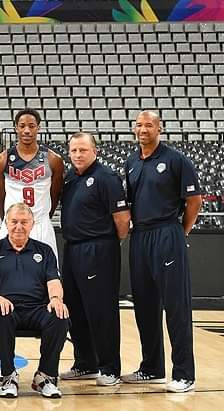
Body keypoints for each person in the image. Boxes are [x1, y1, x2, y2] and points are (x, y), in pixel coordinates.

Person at [122, 111, 201, 393]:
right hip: (140, 236)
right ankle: (152, 368)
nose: (143, 129)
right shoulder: (131, 162)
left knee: (176, 307)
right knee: (144, 305)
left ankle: (184, 374)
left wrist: (181, 232)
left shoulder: (176, 160)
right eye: (139, 125)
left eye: (149, 125)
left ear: (160, 129)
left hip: (167, 233)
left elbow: (194, 200)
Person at [59, 132, 130, 386]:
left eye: (83, 150)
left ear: (95, 152)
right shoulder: (70, 178)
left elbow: (122, 219)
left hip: (98, 249)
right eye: (74, 150)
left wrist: (107, 244)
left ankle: (109, 367)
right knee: (75, 307)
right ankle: (85, 363)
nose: (78, 155)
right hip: (72, 248)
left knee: (101, 309)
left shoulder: (106, 178)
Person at [0, 203, 69, 399]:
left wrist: (56, 299)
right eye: (14, 222)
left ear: (32, 224)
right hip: (8, 307)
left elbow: (54, 281)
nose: (19, 227)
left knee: (60, 315)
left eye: (24, 222)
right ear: (6, 223)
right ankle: (8, 376)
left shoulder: (45, 250)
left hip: (38, 308)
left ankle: (44, 376)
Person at [0, 108, 63, 259]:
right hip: (12, 226)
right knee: (7, 271)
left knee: (46, 272)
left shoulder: (53, 160)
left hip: (40, 225)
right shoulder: (1, 160)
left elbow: (55, 195)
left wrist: (43, 216)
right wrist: (9, 219)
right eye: (22, 126)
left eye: (31, 126)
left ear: (38, 128)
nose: (27, 131)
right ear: (16, 128)